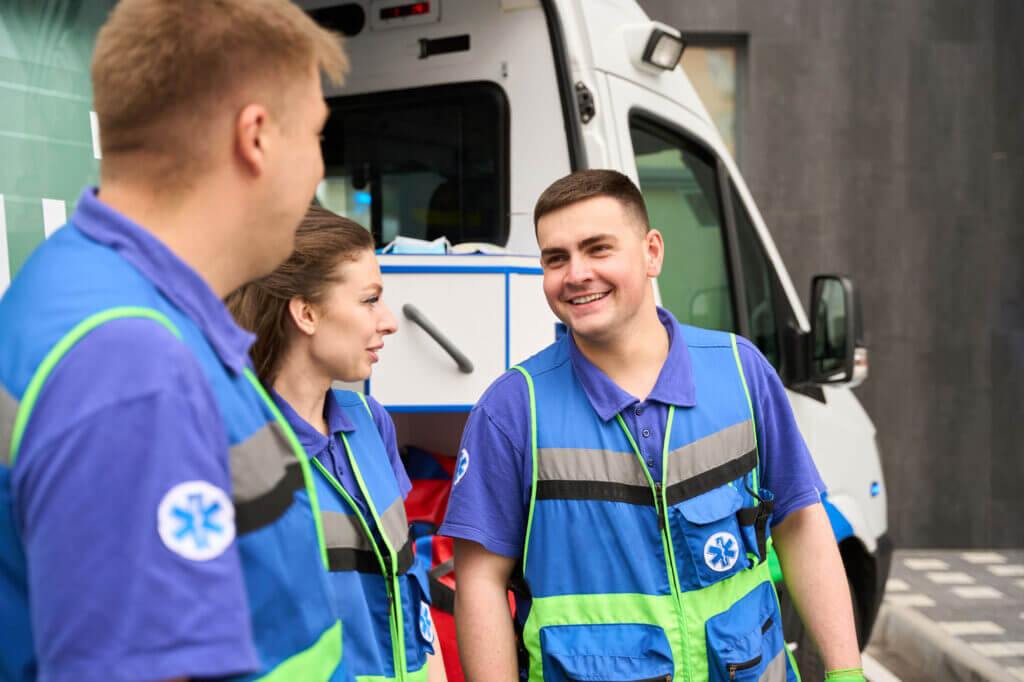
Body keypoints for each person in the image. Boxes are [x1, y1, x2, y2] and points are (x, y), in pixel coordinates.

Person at [0, 1, 349, 680]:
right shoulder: (133, 367)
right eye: (315, 135)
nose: (317, 172)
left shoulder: (76, 287)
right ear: (257, 136)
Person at [440, 170, 866, 682]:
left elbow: (800, 523)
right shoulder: (511, 410)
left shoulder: (740, 370)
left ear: (652, 253)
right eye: (556, 258)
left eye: (598, 249)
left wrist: (845, 673)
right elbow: (480, 584)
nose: (575, 273)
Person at [227, 206, 447, 682]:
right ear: (305, 313)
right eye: (370, 300)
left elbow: (408, 585)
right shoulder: (235, 449)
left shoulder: (372, 423)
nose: (389, 321)